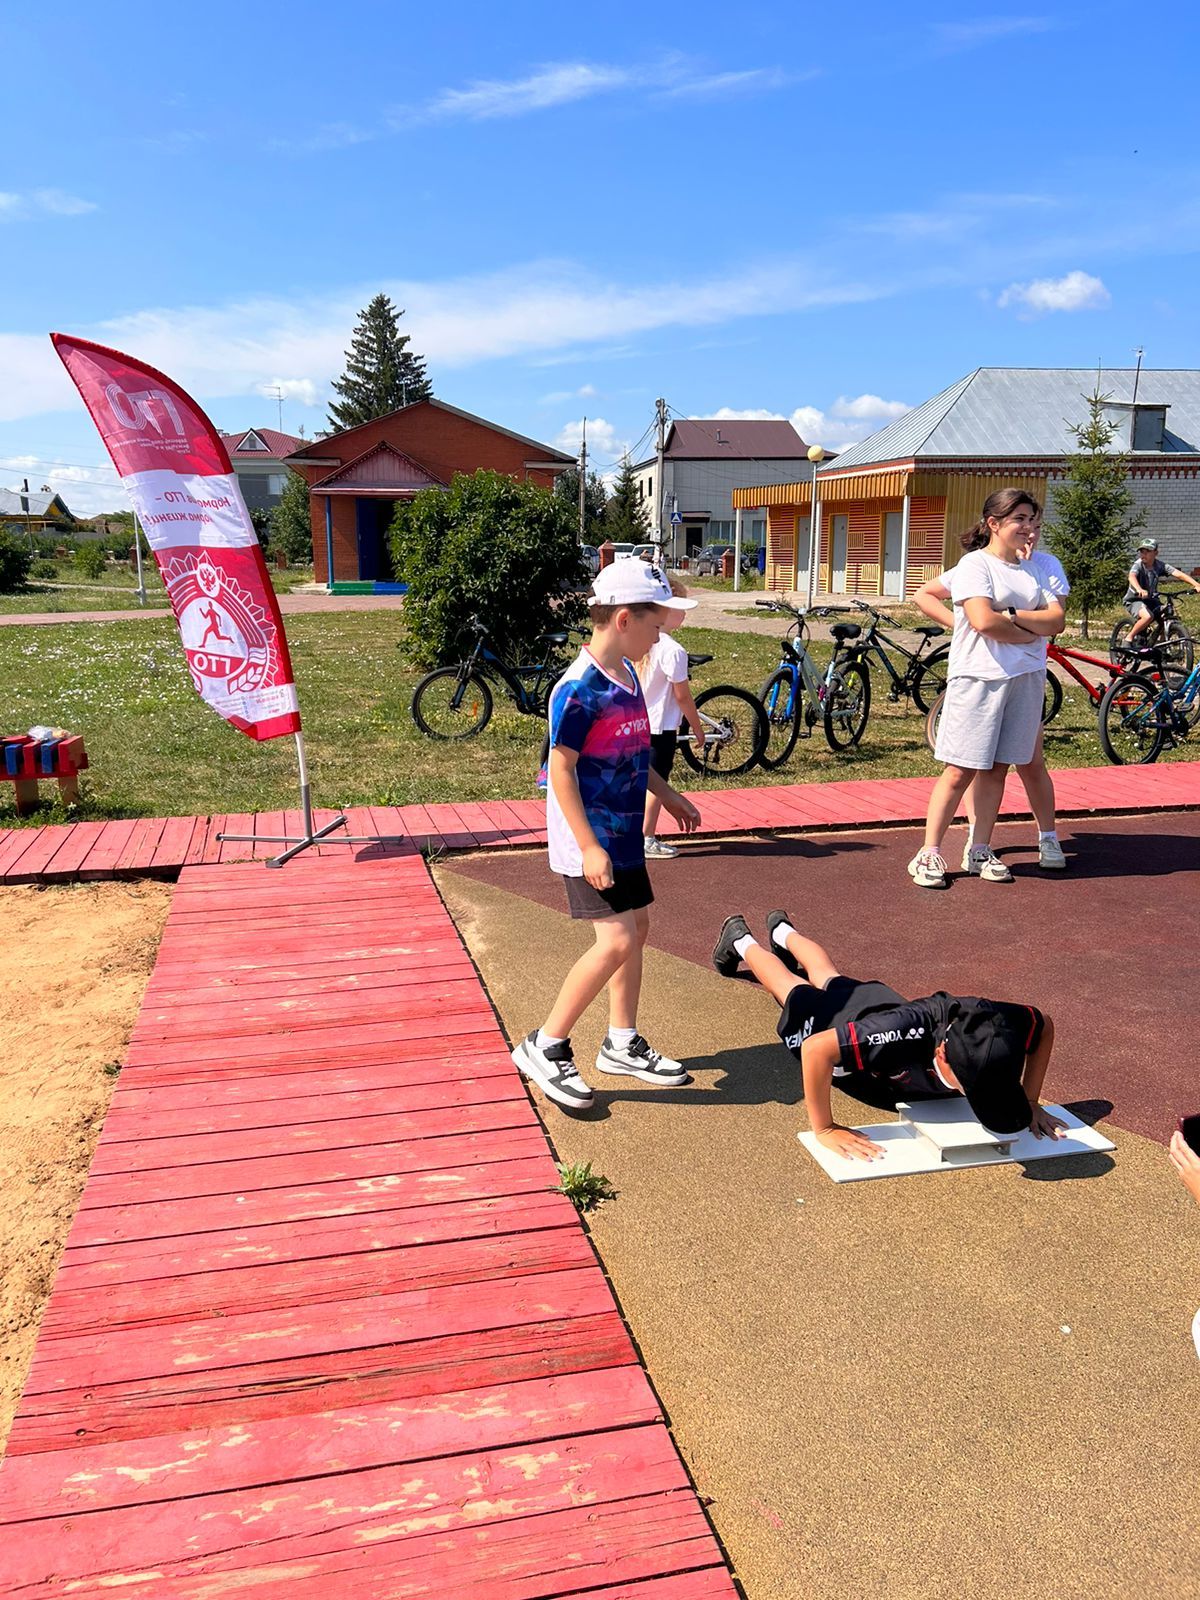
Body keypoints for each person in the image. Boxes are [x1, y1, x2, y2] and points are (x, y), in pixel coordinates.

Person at [511, 561, 702, 1111]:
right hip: (590, 842)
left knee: (636, 928)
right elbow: (561, 770)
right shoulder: (577, 689)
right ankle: (545, 1045)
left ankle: (621, 1040)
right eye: (656, 625)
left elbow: (633, 752)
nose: (661, 634)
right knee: (616, 939)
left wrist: (666, 794)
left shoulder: (629, 675)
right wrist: (590, 845)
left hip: (622, 837)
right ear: (623, 618)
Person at [710, 911, 1066, 1162]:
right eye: (971, 1087)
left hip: (881, 1004)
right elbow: (816, 1050)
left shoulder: (1004, 1022)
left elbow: (1044, 1026)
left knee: (830, 975)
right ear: (941, 1055)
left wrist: (1031, 1102)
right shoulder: (896, 1038)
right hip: (845, 1025)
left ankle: (782, 931)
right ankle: (741, 940)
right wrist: (825, 1128)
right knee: (793, 988)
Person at [908, 488, 1065, 891]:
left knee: (997, 769)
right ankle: (928, 852)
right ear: (994, 524)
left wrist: (1011, 619)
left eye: (1033, 519)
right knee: (961, 768)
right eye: (1020, 519)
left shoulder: (1041, 566)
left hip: (1025, 679)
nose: (1029, 527)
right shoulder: (975, 565)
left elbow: (1056, 622)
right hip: (978, 679)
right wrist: (1026, 630)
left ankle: (980, 847)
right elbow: (981, 621)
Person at [636, 574, 703, 860]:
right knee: (657, 783)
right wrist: (697, 728)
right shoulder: (674, 651)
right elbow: (682, 696)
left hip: (640, 723)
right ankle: (646, 837)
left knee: (644, 780)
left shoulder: (644, 644)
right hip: (661, 727)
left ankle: (638, 835)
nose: (684, 613)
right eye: (679, 608)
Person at [1123, 537, 1200, 646]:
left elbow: (1178, 573)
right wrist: (1139, 589)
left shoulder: (1159, 565)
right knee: (1147, 617)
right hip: (1135, 600)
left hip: (1151, 600)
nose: (1143, 554)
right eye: (1142, 551)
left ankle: (1162, 645)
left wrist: (1196, 584)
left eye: (1147, 551)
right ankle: (1128, 638)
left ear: (1156, 553)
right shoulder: (1138, 564)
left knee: (1167, 615)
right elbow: (1131, 576)